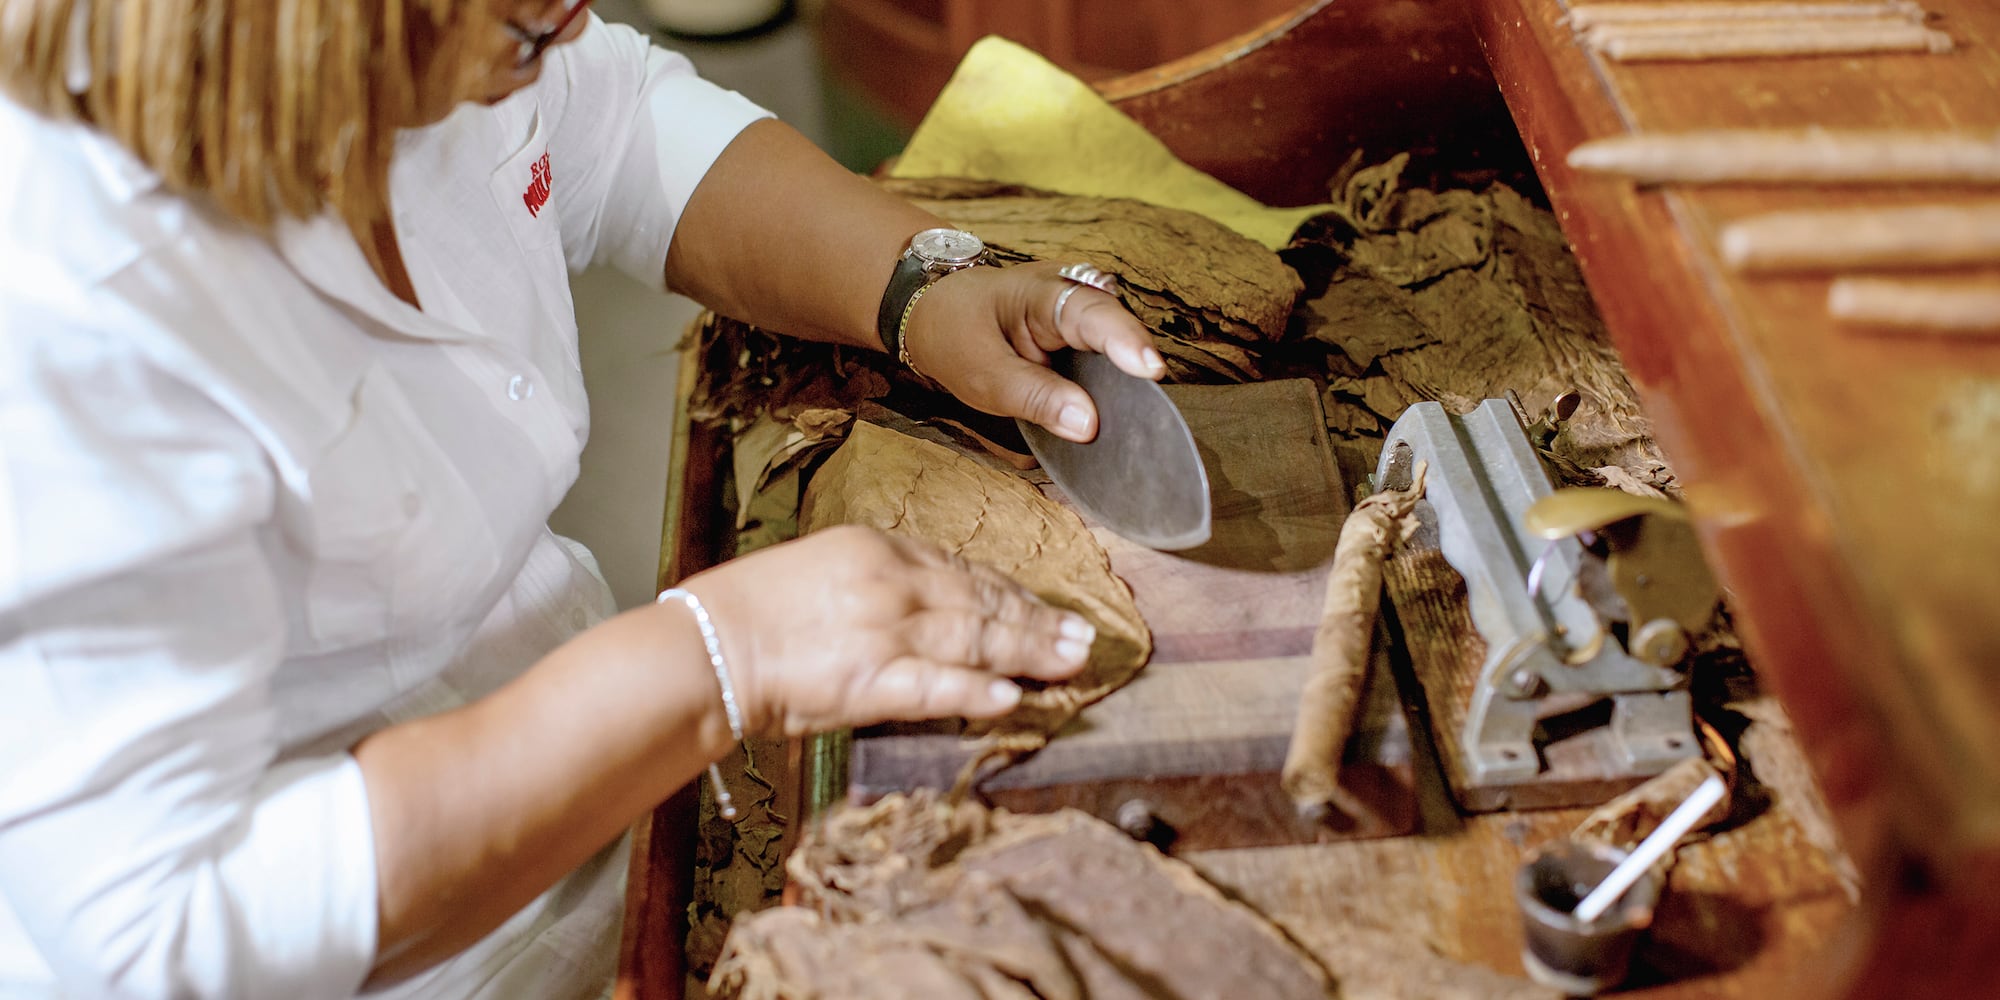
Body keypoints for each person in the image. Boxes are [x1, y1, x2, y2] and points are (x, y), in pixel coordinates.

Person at [0, 1, 1165, 996]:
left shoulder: (434, 41)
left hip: (602, 824)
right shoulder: (66, 309)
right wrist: (717, 658)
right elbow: (169, 929)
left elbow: (602, 123)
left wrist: (914, 284)